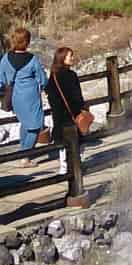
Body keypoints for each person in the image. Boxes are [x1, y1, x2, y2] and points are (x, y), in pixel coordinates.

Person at [0, 29, 50, 156]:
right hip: (31, 97)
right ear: (27, 42)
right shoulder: (32, 59)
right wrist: (47, 87)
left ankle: (23, 151)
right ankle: (25, 156)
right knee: (35, 127)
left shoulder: (6, 58)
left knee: (25, 123)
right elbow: (42, 79)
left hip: (15, 96)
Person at [47, 47, 91, 176]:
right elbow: (77, 95)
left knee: (62, 142)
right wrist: (81, 107)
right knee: (77, 139)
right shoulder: (71, 75)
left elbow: (50, 94)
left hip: (59, 113)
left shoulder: (53, 75)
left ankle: (63, 166)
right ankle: (76, 164)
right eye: (70, 56)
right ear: (62, 58)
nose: (72, 58)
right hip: (73, 112)